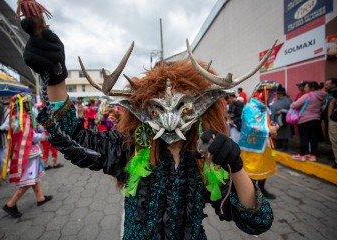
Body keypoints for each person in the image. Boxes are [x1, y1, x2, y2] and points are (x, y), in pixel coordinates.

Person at [19, 4, 275, 237]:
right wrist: (55, 77)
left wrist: (236, 166)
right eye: (157, 108)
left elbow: (258, 221)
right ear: (141, 110)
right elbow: (71, 138)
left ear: (201, 108)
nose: (171, 118)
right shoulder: (128, 148)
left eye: (182, 107)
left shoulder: (207, 160)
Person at [1, 93, 52, 218]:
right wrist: (46, 136)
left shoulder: (16, 117)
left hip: (23, 151)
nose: (31, 105)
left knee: (33, 177)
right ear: (24, 105)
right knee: (28, 181)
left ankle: (40, 197)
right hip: (28, 152)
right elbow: (31, 136)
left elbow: (29, 133)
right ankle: (10, 204)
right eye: (28, 103)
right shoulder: (24, 118)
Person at [239, 80, 279, 200]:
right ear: (262, 93)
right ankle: (250, 192)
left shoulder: (264, 107)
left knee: (264, 167)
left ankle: (261, 189)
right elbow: (252, 126)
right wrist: (269, 130)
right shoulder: (250, 107)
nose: (272, 97)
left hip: (264, 144)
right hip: (252, 145)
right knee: (252, 170)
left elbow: (266, 123)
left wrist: (273, 127)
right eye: (270, 94)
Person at [291, 81, 327, 161]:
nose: (304, 88)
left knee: (304, 138)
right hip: (316, 119)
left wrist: (294, 103)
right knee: (313, 138)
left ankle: (302, 155)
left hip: (305, 120)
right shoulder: (321, 95)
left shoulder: (308, 95)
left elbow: (294, 105)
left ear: (312, 88)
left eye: (306, 87)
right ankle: (313, 155)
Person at [270, 86, 292, 151]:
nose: (277, 95)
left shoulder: (287, 100)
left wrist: (282, 111)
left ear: (282, 93)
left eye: (278, 93)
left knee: (284, 133)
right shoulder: (276, 100)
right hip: (276, 120)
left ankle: (284, 146)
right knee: (277, 133)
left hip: (283, 120)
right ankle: (278, 145)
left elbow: (291, 110)